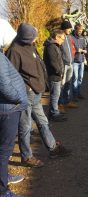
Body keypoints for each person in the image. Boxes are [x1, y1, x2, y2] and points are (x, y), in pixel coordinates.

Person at [6, 23, 72, 168]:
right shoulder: (14, 51)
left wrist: (42, 84)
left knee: (43, 122)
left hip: (36, 94)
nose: (35, 40)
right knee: (25, 126)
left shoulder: (30, 46)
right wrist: (26, 89)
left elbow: (39, 65)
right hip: (25, 95)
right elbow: (10, 76)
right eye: (33, 37)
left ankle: (53, 148)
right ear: (25, 37)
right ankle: (27, 157)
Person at [0, 19, 27, 197]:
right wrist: (19, 98)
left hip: (7, 107)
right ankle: (2, 190)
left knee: (3, 150)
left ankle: (3, 176)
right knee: (4, 150)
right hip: (7, 109)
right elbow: (4, 85)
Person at [43, 29, 67, 122]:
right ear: (57, 37)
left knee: (55, 95)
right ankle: (54, 114)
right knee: (54, 95)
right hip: (54, 75)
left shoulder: (54, 46)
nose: (63, 40)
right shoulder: (51, 47)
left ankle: (53, 112)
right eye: (62, 38)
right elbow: (53, 63)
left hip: (56, 75)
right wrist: (60, 72)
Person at [59, 20, 78, 112]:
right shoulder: (60, 37)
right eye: (69, 28)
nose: (70, 30)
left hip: (71, 63)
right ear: (64, 28)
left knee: (68, 83)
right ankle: (60, 103)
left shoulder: (69, 37)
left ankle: (67, 101)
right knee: (61, 85)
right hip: (64, 65)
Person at [71, 23, 87, 101]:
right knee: (75, 78)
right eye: (79, 30)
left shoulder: (83, 38)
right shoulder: (71, 38)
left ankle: (78, 93)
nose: (80, 32)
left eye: (81, 30)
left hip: (81, 60)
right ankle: (74, 95)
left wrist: (85, 51)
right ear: (75, 29)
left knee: (80, 78)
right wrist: (77, 50)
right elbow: (70, 49)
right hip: (74, 61)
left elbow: (85, 48)